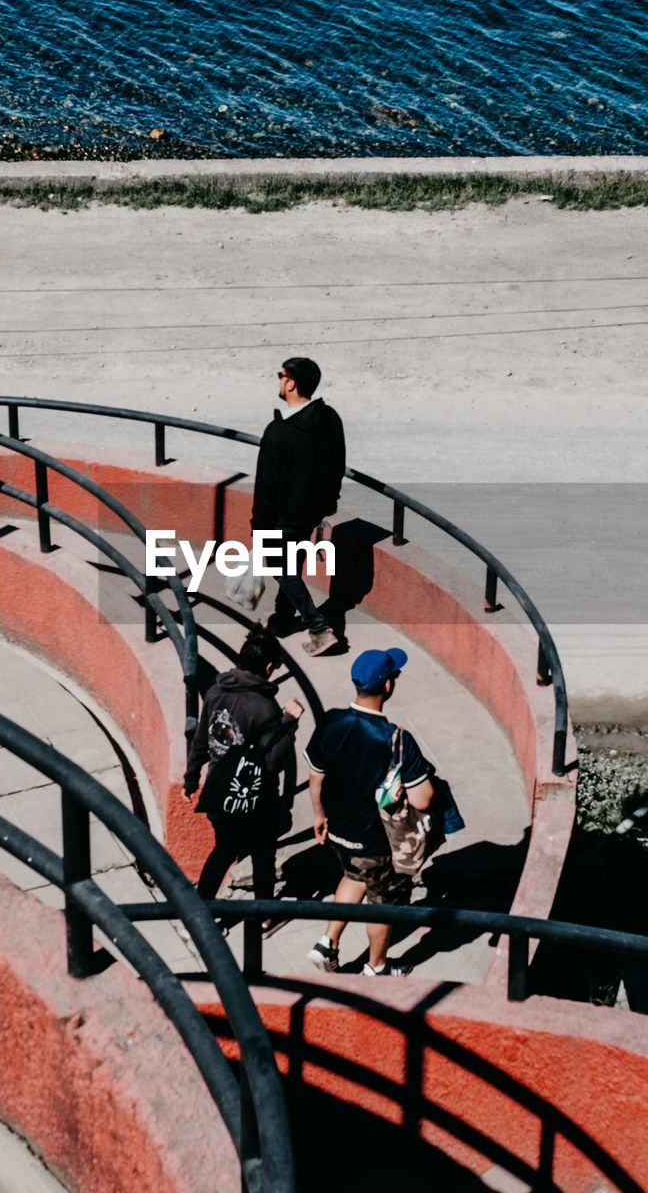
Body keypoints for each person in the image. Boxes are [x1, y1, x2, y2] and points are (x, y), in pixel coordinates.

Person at [305, 646, 434, 976]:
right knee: (382, 904)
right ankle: (376, 968)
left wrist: (319, 816)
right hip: (376, 842)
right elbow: (423, 800)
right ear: (388, 686)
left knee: (352, 876)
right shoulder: (396, 739)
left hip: (339, 831)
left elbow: (315, 778)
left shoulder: (331, 721)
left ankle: (327, 945)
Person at [184, 624, 303, 903]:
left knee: (223, 850)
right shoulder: (264, 707)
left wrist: (190, 779)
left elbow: (201, 740)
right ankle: (264, 914)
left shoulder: (215, 692)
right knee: (263, 853)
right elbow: (273, 761)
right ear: (271, 666)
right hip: (255, 798)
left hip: (218, 789)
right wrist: (289, 721)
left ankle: (201, 912)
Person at [252, 357, 346, 657]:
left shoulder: (278, 432)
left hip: (283, 516)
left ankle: (318, 627)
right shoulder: (330, 418)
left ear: (291, 382)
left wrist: (259, 526)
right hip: (311, 512)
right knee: (291, 564)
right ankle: (282, 619)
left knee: (280, 566)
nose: (279, 381)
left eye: (280, 376)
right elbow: (337, 466)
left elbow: (265, 486)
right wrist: (328, 502)